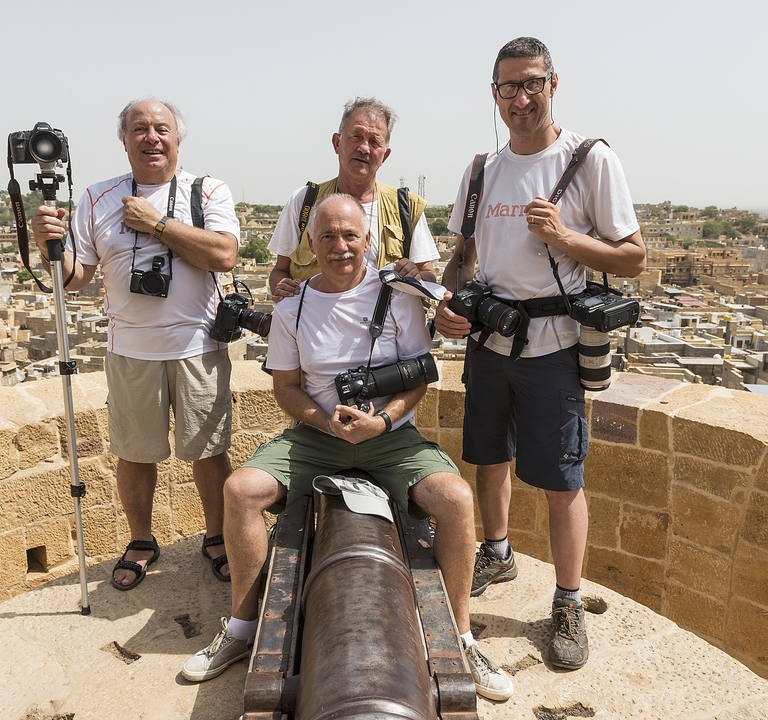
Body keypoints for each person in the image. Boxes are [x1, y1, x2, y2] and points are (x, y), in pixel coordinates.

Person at [181, 194, 514, 701]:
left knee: (457, 500)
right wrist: (327, 422)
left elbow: (418, 379)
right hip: (318, 436)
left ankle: (462, 638)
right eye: (329, 236)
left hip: (390, 438)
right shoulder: (291, 309)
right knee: (241, 490)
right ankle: (242, 627)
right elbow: (286, 387)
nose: (340, 246)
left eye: (350, 236)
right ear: (311, 243)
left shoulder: (400, 297)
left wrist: (380, 422)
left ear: (368, 241)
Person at [435, 37, 646, 670]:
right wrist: (448, 303)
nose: (520, 99)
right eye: (508, 88)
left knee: (561, 481)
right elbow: (464, 255)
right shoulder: (482, 168)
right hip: (490, 340)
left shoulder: (589, 159)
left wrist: (564, 235)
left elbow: (634, 258)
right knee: (489, 459)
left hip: (554, 347)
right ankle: (496, 554)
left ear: (554, 84)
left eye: (532, 84)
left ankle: (568, 601)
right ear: (493, 95)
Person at [30, 97, 239, 590]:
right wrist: (48, 248)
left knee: (209, 452)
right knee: (134, 454)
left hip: (197, 347)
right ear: (124, 141)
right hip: (131, 351)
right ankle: (141, 540)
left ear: (177, 138)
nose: (151, 137)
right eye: (139, 129)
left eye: (160, 128)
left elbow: (225, 255)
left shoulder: (206, 191)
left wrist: (157, 225)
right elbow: (75, 277)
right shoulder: (98, 197)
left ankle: (217, 536)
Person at [267, 97, 440, 302]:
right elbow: (279, 271)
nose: (364, 148)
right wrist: (282, 287)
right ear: (337, 143)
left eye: (374, 141)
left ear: (385, 156)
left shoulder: (406, 208)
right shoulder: (305, 201)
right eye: (356, 136)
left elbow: (429, 276)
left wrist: (415, 275)